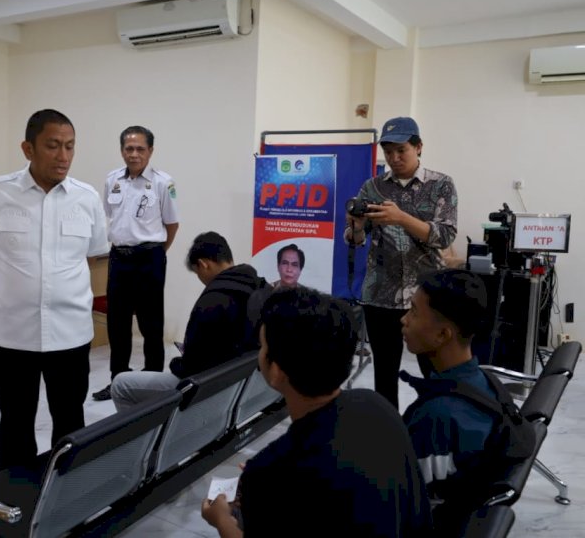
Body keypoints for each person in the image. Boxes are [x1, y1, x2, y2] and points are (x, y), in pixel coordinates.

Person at [201, 286, 433, 537]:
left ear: (276, 371)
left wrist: (222, 520)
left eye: (263, 346)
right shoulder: (378, 407)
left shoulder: (269, 473)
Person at [0, 108, 109, 470]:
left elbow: (92, 255)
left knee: (70, 422)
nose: (63, 157)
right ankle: (15, 502)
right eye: (53, 146)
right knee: (15, 422)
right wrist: (21, 281)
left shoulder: (87, 198)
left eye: (70, 147)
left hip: (70, 333)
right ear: (28, 149)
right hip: (12, 333)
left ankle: (65, 500)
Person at [344, 115, 457, 410]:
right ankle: (389, 439)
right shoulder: (372, 187)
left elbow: (445, 236)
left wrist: (402, 218)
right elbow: (357, 240)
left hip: (427, 294)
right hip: (380, 293)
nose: (394, 158)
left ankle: (436, 430)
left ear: (418, 147)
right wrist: (355, 226)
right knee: (384, 373)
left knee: (435, 371)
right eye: (388, 152)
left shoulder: (441, 185)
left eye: (401, 150)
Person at [110, 231, 267, 410]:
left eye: (197, 273)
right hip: (243, 388)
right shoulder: (262, 288)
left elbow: (191, 367)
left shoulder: (212, 302)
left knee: (121, 384)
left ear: (203, 264)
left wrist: (176, 362)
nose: (201, 280)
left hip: (210, 390)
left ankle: (141, 438)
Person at [399, 268, 500, 534]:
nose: (404, 320)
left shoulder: (435, 418)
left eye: (413, 311)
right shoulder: (487, 384)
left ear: (443, 335)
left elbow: (401, 503)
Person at [92, 125, 179, 401]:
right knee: (117, 325)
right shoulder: (112, 180)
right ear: (121, 151)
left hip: (149, 258)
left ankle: (152, 384)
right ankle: (118, 380)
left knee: (151, 325)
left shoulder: (164, 183)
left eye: (140, 148)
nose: (134, 154)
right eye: (129, 148)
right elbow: (109, 215)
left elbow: (172, 224)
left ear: (150, 151)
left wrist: (155, 251)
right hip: (119, 259)